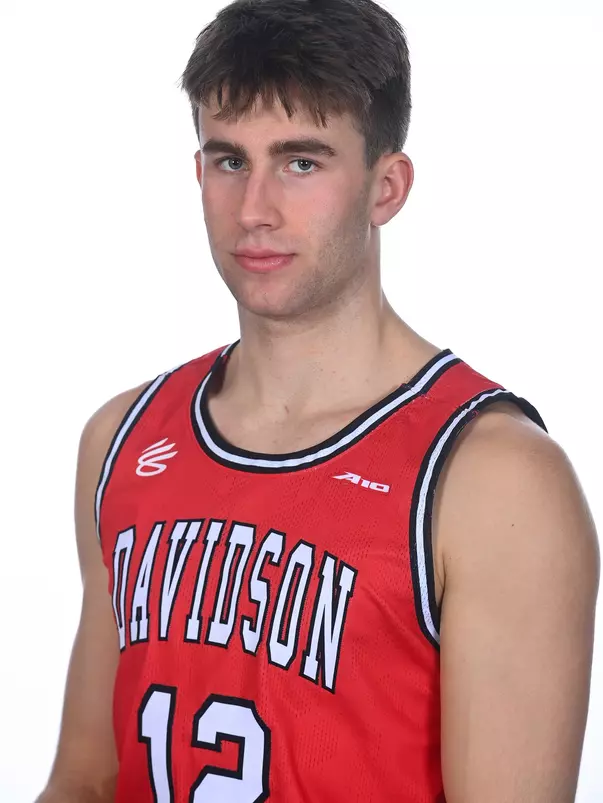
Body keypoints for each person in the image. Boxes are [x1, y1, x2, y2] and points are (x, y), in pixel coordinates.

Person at [36, 1, 599, 801]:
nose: (256, 209)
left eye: (301, 163)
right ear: (198, 173)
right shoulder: (122, 437)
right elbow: (85, 780)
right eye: (230, 160)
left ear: (386, 186)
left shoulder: (493, 480)